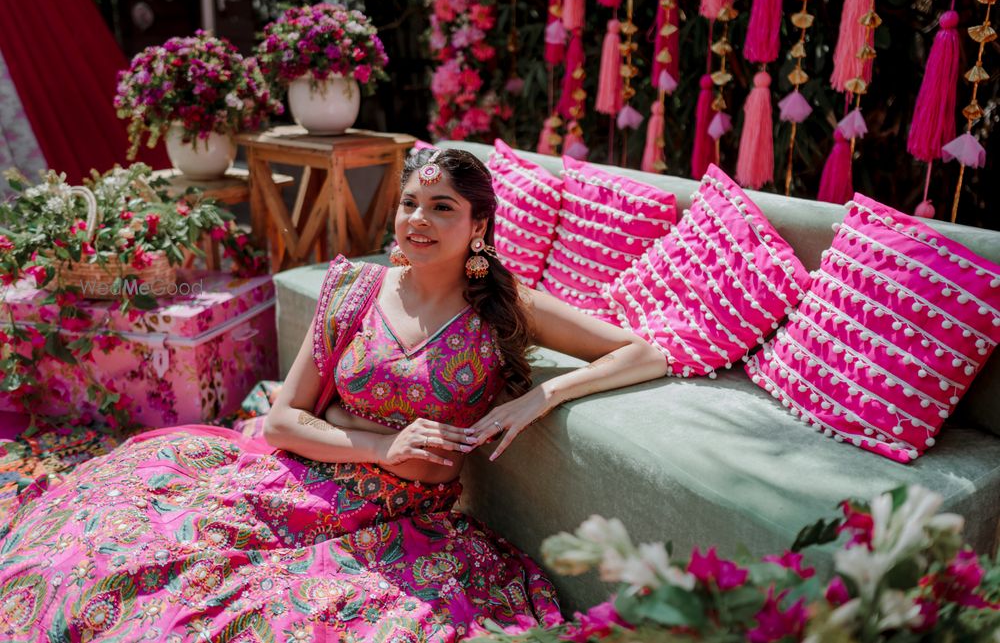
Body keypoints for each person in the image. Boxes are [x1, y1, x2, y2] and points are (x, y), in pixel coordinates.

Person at [0, 148, 668, 641]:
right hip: (300, 479)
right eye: (410, 203)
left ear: (479, 227)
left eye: (443, 208)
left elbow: (643, 351)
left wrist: (537, 398)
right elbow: (285, 419)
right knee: (114, 554)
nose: (419, 220)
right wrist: (384, 445)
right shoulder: (354, 289)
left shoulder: (501, 304)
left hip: (400, 525)